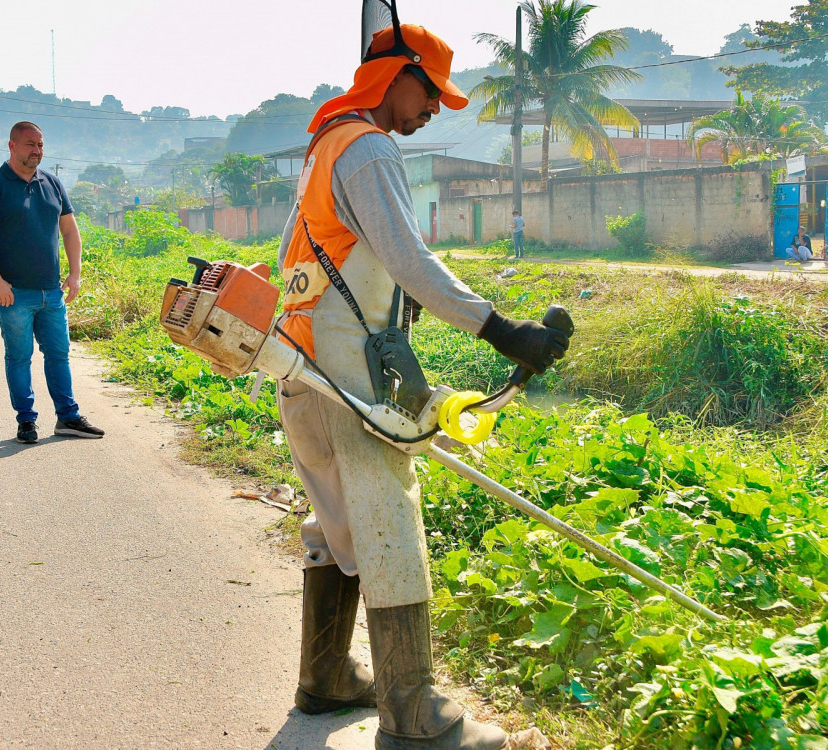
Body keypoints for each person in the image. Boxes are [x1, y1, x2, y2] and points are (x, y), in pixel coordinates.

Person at [275, 24, 568, 750]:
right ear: (396, 75)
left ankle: (327, 677)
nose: (436, 108)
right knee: (388, 525)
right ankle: (412, 712)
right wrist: (505, 331)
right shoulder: (369, 149)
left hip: (300, 368)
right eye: (431, 90)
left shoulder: (327, 144)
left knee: (336, 520)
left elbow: (290, 253)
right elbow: (410, 259)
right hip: (349, 382)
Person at [0, 122, 104, 444]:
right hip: (12, 294)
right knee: (19, 357)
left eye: (40, 145)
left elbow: (70, 230)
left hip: (51, 291)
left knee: (59, 354)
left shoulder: (52, 183)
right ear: (12, 146)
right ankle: (26, 421)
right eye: (30, 144)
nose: (37, 151)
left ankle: (68, 417)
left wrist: (75, 273)